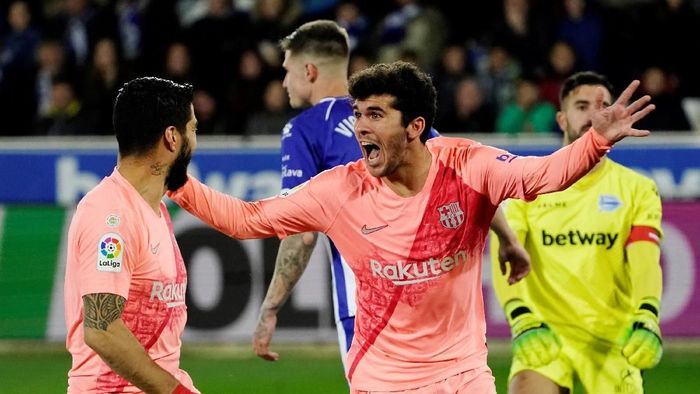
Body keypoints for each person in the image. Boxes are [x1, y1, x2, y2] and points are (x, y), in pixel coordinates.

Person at [168, 61, 653, 392]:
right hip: (383, 378)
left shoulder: (468, 165)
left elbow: (541, 175)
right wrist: (178, 181)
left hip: (462, 374)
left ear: (415, 126)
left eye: (375, 115)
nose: (360, 127)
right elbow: (248, 218)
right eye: (358, 114)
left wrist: (595, 142)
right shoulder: (340, 190)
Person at [253, 20, 526, 370]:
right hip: (434, 300)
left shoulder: (305, 129)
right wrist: (508, 240)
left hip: (369, 308)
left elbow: (301, 235)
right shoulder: (397, 115)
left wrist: (271, 306)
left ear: (308, 70)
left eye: (287, 70)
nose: (284, 81)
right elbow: (464, 180)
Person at [491, 71, 664, 394]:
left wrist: (648, 312)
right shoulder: (527, 184)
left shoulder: (638, 189)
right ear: (561, 118)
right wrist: (521, 317)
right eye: (582, 106)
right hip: (547, 334)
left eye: (604, 107)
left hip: (613, 339)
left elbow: (645, 260)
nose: (594, 116)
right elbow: (506, 257)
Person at [64, 77, 199, 393]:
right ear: (171, 138)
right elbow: (101, 329)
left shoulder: (154, 209)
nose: (195, 141)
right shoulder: (110, 216)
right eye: (193, 130)